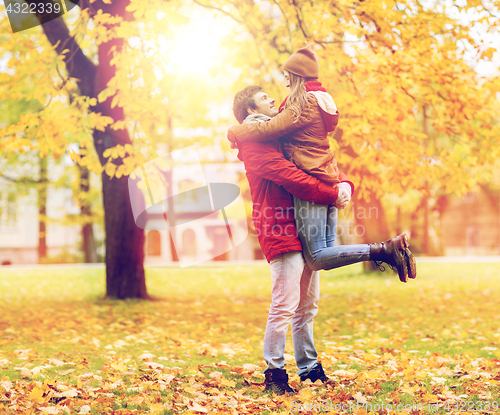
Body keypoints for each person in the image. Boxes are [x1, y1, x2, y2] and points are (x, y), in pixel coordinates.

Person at [228, 44, 417, 282]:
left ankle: (384, 250)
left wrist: (235, 131)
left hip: (313, 187)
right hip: (326, 181)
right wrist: (341, 184)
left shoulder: (302, 103)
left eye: (288, 77)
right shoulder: (316, 101)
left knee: (317, 257)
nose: (285, 84)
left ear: (297, 76)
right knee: (324, 253)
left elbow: (269, 128)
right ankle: (385, 250)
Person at [231, 85, 356, 395]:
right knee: (285, 304)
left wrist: (343, 184)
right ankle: (274, 372)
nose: (273, 98)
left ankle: (309, 368)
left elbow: (304, 103)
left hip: (301, 226)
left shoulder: (275, 134)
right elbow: (290, 175)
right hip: (279, 228)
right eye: (263, 98)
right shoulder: (254, 144)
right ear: (251, 110)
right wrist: (331, 194)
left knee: (307, 304)